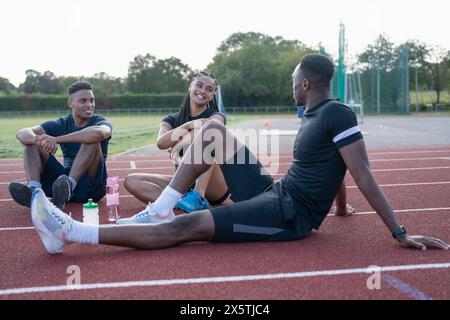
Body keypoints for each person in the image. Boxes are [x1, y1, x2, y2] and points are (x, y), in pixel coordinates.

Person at [29, 54, 448, 254]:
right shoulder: (318, 113)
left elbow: (362, 172)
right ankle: (162, 206)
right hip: (274, 191)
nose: (291, 84)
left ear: (305, 83)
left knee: (189, 227)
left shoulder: (336, 112)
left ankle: (71, 231)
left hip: (289, 215)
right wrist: (339, 210)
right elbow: (336, 167)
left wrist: (398, 231)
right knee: (215, 131)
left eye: (292, 79)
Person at [123, 71, 230, 214]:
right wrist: (187, 125)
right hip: (186, 181)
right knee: (131, 181)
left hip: (214, 185)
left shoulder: (216, 116)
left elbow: (213, 127)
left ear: (212, 95)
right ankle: (181, 202)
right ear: (190, 87)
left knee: (205, 131)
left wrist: (177, 143)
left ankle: (198, 197)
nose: (203, 91)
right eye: (199, 85)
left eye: (209, 89)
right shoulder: (172, 120)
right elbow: (161, 143)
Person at [8, 81, 112, 210]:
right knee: (31, 143)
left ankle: (69, 186)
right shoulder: (61, 123)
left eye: (92, 100)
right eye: (83, 101)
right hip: (60, 184)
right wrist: (37, 140)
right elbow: (22, 134)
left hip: (92, 187)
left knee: (91, 139)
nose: (89, 105)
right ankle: (35, 192)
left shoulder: (100, 122)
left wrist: (56, 139)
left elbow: (99, 133)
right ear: (70, 103)